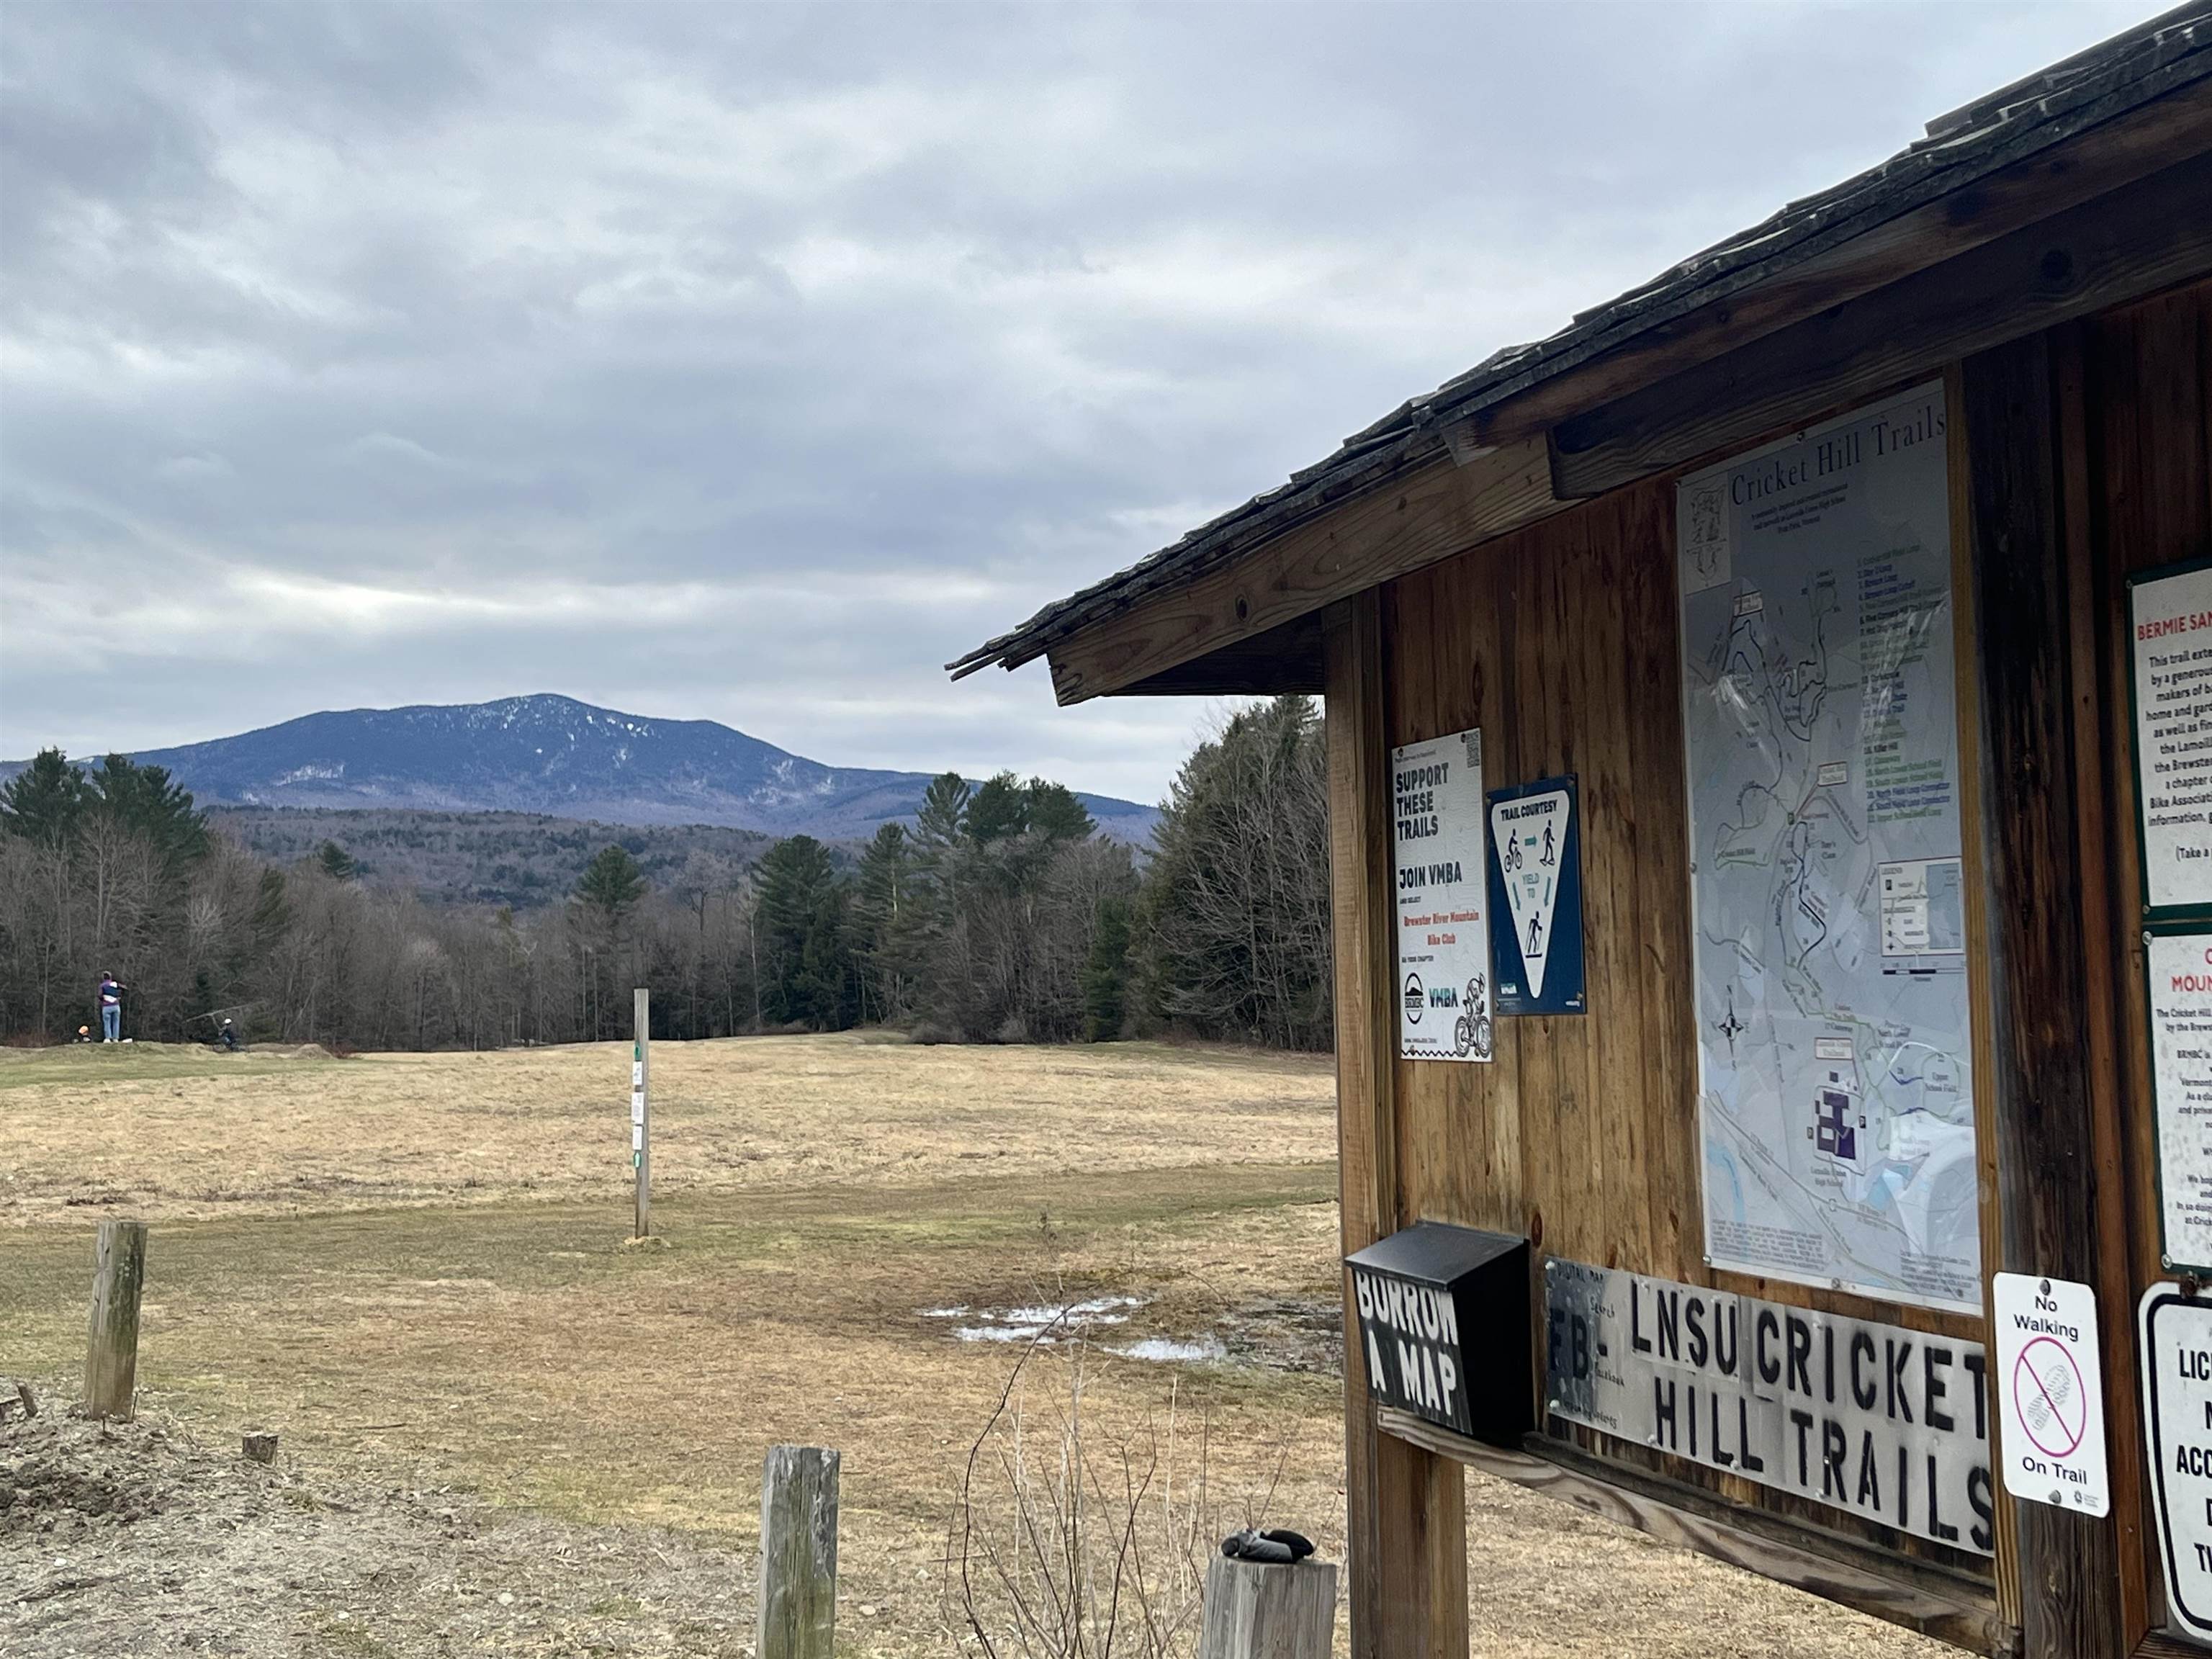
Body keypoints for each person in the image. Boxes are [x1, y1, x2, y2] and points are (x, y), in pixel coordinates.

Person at [97, 972, 123, 1043]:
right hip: (116, 1005)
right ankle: (116, 1038)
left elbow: (100, 995)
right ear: (110, 977)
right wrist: (119, 997)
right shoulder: (115, 984)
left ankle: (108, 1038)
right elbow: (124, 989)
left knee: (107, 1022)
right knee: (116, 1022)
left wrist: (103, 1000)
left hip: (106, 1006)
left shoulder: (102, 986)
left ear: (103, 978)